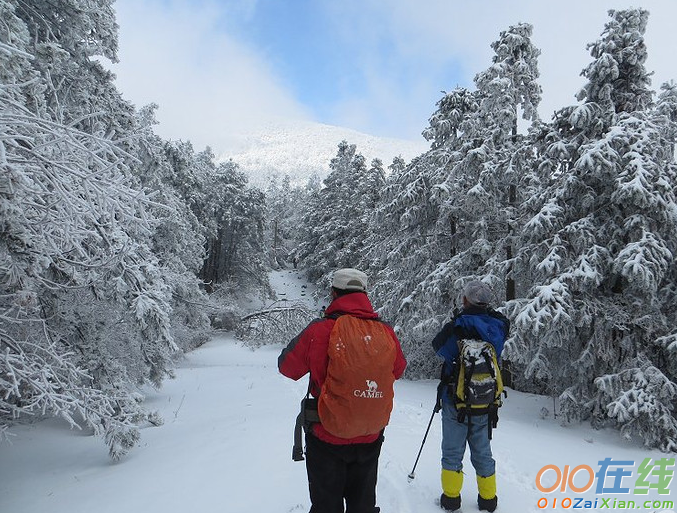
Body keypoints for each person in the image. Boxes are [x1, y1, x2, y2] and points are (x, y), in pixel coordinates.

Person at [279, 268, 407, 513]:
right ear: (364, 293)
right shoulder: (385, 331)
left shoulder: (320, 330)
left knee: (326, 504)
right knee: (362, 504)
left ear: (333, 293)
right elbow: (398, 370)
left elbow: (287, 367)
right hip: (370, 433)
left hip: (326, 433)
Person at [431, 280, 510, 512]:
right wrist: (486, 310)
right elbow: (506, 324)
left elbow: (438, 347)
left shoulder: (457, 326)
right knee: (483, 451)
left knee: (453, 451)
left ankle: (451, 500)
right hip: (485, 401)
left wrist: (458, 317)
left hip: (455, 399)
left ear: (465, 300)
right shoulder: (496, 326)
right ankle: (488, 500)